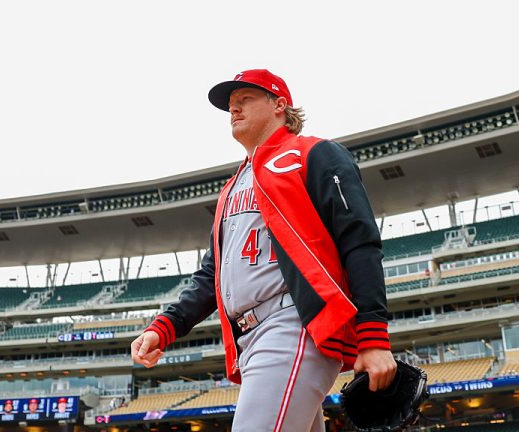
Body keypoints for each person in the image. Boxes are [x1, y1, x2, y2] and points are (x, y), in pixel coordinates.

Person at [131, 69, 397, 431]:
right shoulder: (232, 186)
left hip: (294, 323)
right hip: (250, 339)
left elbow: (359, 240)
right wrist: (164, 326)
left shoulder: (315, 153)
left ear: (279, 105)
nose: (234, 110)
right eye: (230, 106)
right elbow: (212, 274)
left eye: (245, 100)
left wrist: (373, 334)